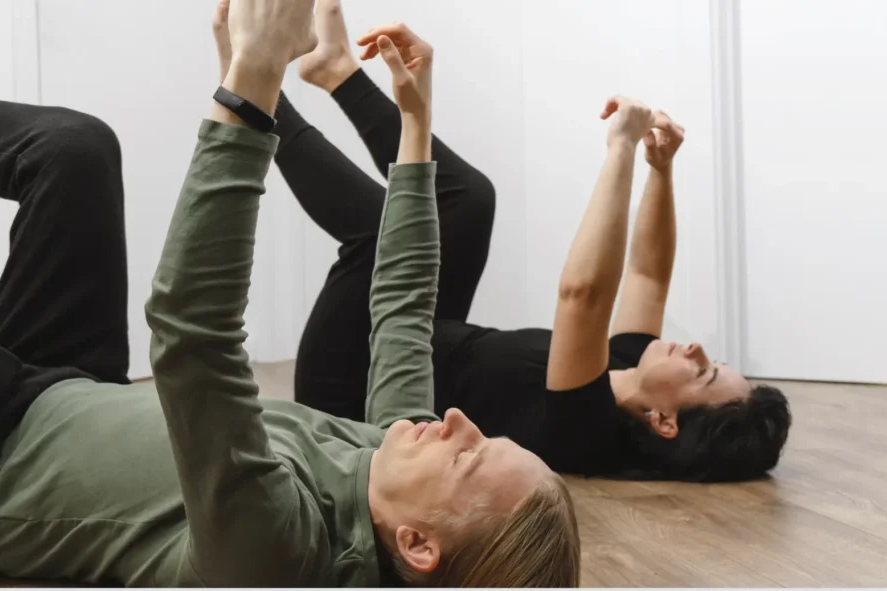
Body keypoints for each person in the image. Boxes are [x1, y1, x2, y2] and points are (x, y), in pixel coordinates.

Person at [0, 0, 583, 587]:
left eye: (469, 455)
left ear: (417, 543)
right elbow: (402, 303)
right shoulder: (389, 452)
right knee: (76, 153)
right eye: (485, 435)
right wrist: (415, 120)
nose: (459, 420)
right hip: (60, 391)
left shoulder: (279, 553)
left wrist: (254, 77)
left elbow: (193, 337)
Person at [280, 0, 791, 483]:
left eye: (702, 372)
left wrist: (622, 148)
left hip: (353, 385)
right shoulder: (626, 366)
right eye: (714, 359)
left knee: (378, 234)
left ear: (664, 421)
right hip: (412, 339)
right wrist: (661, 169)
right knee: (470, 201)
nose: (699, 349)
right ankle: (336, 69)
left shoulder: (586, 431)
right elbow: (648, 276)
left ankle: (257, 91)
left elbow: (584, 295)